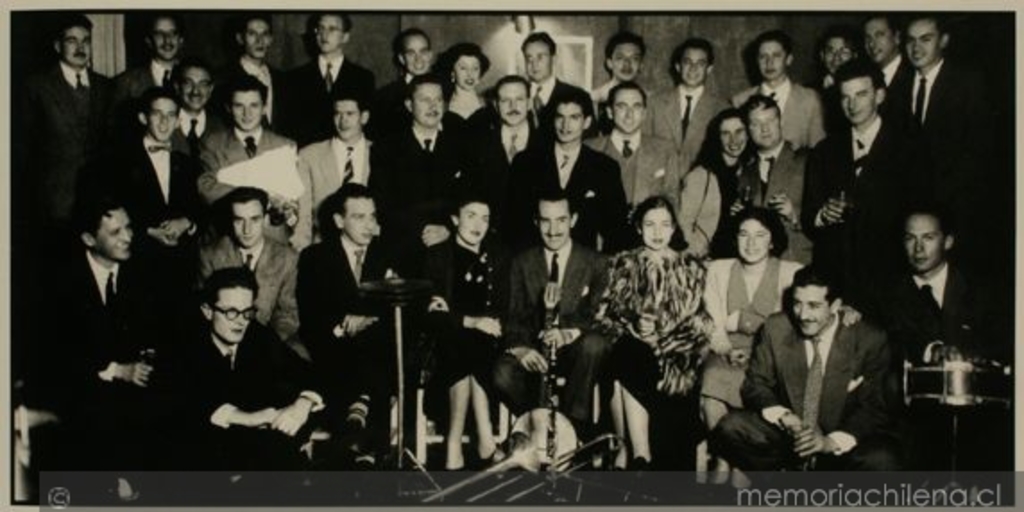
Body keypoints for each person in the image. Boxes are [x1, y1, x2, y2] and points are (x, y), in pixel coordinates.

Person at [711, 266, 901, 474]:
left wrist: (829, 442)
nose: (803, 315)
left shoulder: (869, 339)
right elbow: (756, 383)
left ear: (836, 305)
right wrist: (785, 418)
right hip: (788, 439)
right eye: (797, 303)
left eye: (814, 306)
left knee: (882, 459)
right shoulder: (776, 327)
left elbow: (874, 406)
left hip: (838, 444)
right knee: (732, 427)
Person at [879, 206, 1011, 471]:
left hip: (983, 418)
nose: (918, 249)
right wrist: (933, 350)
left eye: (928, 238)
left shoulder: (983, 290)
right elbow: (891, 344)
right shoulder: (888, 296)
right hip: (917, 422)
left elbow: (1006, 340)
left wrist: (970, 355)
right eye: (909, 238)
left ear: (948, 241)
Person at [595, 196, 713, 470]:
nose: (657, 233)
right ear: (638, 227)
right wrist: (634, 327)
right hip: (631, 351)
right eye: (649, 224)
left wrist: (660, 339)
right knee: (628, 351)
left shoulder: (691, 268)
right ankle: (641, 455)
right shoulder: (623, 264)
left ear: (674, 229)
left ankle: (633, 454)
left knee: (634, 358)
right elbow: (604, 317)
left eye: (664, 225)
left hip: (674, 355)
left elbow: (700, 325)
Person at [166, 267, 323, 471]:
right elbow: (182, 405)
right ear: (207, 311)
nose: (241, 321)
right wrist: (248, 418)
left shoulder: (259, 336)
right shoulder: (184, 344)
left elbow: (308, 373)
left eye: (247, 311)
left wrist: (303, 404)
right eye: (231, 312)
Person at [495, 193, 611, 441]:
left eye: (561, 220)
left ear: (574, 219)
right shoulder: (522, 262)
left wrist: (568, 333)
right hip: (537, 351)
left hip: (576, 350)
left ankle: (571, 431)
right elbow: (514, 317)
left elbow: (599, 315)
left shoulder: (596, 262)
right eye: (545, 221)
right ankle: (536, 428)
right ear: (536, 223)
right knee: (502, 373)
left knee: (594, 345)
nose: (553, 230)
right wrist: (521, 349)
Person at [802, 59, 913, 317]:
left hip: (888, 283)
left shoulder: (908, 149)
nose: (852, 104)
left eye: (861, 94)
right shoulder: (824, 151)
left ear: (880, 95)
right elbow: (809, 217)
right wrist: (822, 215)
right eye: (845, 97)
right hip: (837, 282)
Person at [297, 184, 397, 468]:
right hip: (332, 347)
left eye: (372, 217)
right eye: (359, 217)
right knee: (360, 360)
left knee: (378, 349)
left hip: (376, 349)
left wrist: (366, 318)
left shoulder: (386, 255)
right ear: (339, 221)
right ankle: (366, 446)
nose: (369, 225)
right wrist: (343, 326)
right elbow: (312, 315)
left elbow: (400, 308)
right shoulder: (315, 257)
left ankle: (359, 428)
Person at [701, 207, 802, 483]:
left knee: (758, 383)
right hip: (725, 351)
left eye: (760, 235)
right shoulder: (718, 269)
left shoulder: (791, 273)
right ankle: (725, 457)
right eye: (744, 234)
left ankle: (733, 465)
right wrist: (726, 349)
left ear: (772, 240)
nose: (751, 243)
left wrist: (743, 321)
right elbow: (713, 322)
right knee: (712, 380)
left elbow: (788, 328)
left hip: (771, 354)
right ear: (735, 239)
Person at [900, 14, 995, 274]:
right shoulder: (901, 84)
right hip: (912, 215)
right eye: (910, 41)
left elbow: (980, 152)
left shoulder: (969, 83)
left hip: (958, 212)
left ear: (944, 40)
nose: (916, 48)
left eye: (925, 39)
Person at [95, 87, 203, 314]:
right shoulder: (117, 161)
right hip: (137, 267)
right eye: (157, 114)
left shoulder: (187, 163)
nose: (164, 122)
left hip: (180, 272)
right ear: (143, 118)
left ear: (177, 122)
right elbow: (108, 213)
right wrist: (148, 231)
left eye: (171, 115)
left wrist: (187, 223)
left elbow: (201, 209)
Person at [422, 197, 509, 470]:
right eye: (471, 215)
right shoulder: (436, 256)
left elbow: (504, 307)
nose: (478, 224)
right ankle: (485, 440)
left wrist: (472, 322)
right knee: (463, 339)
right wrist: (469, 321)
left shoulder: (498, 256)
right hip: (442, 344)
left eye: (485, 218)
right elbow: (432, 315)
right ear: (455, 219)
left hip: (488, 339)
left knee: (474, 341)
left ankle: (454, 444)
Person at [506, 88, 630, 254]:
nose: (565, 125)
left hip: (582, 268)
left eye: (574, 117)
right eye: (560, 117)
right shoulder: (526, 162)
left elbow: (616, 231)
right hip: (533, 263)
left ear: (586, 122)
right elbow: (514, 223)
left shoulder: (604, 168)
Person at [373, 73, 475, 274]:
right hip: (404, 250)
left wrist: (447, 227)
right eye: (424, 100)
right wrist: (423, 229)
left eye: (438, 99)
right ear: (409, 105)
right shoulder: (387, 149)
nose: (433, 106)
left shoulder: (461, 146)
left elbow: (468, 196)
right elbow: (383, 203)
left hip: (452, 249)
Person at [21, 13, 112, 227]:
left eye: (86, 41)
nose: (80, 47)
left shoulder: (106, 87)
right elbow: (24, 150)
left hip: (98, 201)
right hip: (54, 203)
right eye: (72, 40)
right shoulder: (37, 87)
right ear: (57, 45)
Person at [198, 187, 302, 358]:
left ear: (266, 219)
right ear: (230, 221)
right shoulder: (210, 254)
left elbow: (287, 315)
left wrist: (261, 345)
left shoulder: (287, 258)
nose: (247, 230)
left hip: (268, 342)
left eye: (254, 219)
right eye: (239, 220)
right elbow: (203, 312)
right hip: (222, 341)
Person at [197, 75, 301, 246]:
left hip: (274, 241)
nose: (247, 114)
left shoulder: (285, 145)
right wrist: (264, 195)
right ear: (229, 108)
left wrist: (290, 212)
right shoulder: (212, 144)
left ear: (264, 108)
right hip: (228, 240)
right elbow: (206, 189)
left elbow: (295, 198)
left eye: (254, 105)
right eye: (239, 106)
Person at [731, 95, 812, 264]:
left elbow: (828, 217)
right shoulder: (744, 171)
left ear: (780, 122)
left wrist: (794, 216)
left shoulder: (807, 160)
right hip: (756, 266)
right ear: (748, 130)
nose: (765, 128)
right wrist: (737, 217)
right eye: (756, 123)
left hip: (797, 261)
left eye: (770, 120)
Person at [295, 90, 376, 250]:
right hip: (323, 248)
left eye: (350, 114)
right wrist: (303, 254)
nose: (343, 121)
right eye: (337, 114)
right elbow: (303, 217)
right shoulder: (309, 156)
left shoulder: (381, 153)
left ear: (364, 117)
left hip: (371, 248)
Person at [282, 12, 375, 147]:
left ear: (345, 37)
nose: (324, 35)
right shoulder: (294, 78)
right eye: (320, 28)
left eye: (332, 29)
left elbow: (368, 127)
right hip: (308, 158)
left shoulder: (363, 78)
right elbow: (288, 128)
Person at [587, 81, 682, 212]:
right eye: (622, 106)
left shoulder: (665, 150)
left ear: (644, 113)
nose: (629, 115)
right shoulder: (589, 149)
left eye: (636, 107)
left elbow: (673, 202)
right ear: (609, 112)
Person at [731, 30, 826, 150]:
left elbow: (819, 150)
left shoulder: (810, 99)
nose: (769, 63)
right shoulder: (740, 101)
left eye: (776, 56)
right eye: (763, 57)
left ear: (788, 59)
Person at [645, 38, 729, 171]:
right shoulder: (655, 103)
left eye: (700, 63)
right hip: (660, 184)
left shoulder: (721, 108)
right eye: (687, 62)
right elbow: (645, 148)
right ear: (678, 66)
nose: (693, 68)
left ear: (709, 69)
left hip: (701, 185)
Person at [472, 75, 539, 240]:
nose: (513, 107)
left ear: (529, 103)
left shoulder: (546, 143)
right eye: (505, 101)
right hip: (491, 239)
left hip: (534, 241)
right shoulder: (479, 144)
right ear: (495, 105)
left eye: (519, 100)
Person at [691, 108, 756, 258]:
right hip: (711, 257)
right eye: (726, 134)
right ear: (717, 138)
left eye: (739, 131)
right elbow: (685, 223)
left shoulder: (751, 170)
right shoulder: (702, 175)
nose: (733, 140)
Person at [111, 14, 185, 140]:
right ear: (149, 41)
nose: (167, 40)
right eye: (159, 34)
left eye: (173, 33)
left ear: (181, 40)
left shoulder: (193, 81)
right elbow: (115, 132)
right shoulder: (126, 82)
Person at [217, 14, 284, 131]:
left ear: (271, 39)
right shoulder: (223, 78)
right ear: (240, 38)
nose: (260, 40)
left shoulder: (282, 79)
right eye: (252, 34)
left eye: (265, 34)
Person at [521, 31, 590, 141]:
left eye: (540, 57)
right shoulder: (518, 97)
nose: (533, 64)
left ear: (554, 59)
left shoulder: (578, 95)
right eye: (529, 58)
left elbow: (590, 142)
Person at [370, 28, 433, 141]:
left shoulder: (447, 91)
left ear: (430, 55)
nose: (418, 59)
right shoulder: (384, 97)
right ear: (401, 59)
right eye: (411, 53)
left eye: (423, 52)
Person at [862, 15, 914, 128]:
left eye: (879, 35)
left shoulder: (914, 75)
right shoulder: (866, 77)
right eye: (868, 38)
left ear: (897, 37)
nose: (872, 44)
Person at [592, 31, 647, 134]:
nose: (627, 64)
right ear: (609, 63)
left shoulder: (649, 101)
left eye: (634, 59)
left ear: (641, 65)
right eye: (620, 58)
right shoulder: (594, 99)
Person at [170, 57, 225, 159]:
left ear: (210, 89)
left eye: (203, 84)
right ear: (177, 87)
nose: (195, 91)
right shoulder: (165, 124)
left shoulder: (222, 127)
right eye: (188, 83)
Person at [436, 42, 491, 133]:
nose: (470, 74)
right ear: (452, 72)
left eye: (475, 68)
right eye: (463, 68)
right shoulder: (442, 106)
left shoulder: (488, 105)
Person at [815, 25, 860, 135]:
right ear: (822, 55)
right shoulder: (809, 91)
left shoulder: (862, 89)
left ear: (855, 56)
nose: (836, 58)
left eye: (844, 52)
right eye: (831, 51)